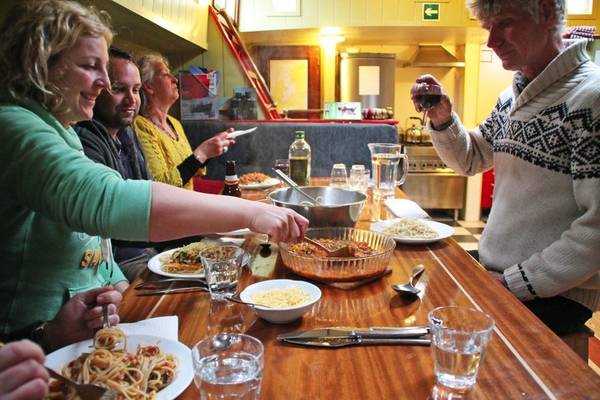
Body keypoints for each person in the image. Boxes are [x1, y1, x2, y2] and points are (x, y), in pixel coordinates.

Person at [0, 0, 307, 353]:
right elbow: (106, 201)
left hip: (78, 339)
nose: (103, 82)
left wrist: (116, 285)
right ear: (39, 63)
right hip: (27, 350)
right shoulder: (13, 126)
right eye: (90, 67)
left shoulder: (62, 130)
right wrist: (251, 214)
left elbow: (95, 240)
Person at [411, 0, 600, 357]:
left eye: (506, 23)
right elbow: (472, 157)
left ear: (546, 13)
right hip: (501, 277)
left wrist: (514, 284)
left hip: (551, 296)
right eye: (488, 28)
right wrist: (442, 118)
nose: (492, 40)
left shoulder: (591, 99)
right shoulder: (512, 96)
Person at [75, 47, 155, 281]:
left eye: (136, 90)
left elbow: (148, 192)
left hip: (147, 249)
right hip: (118, 262)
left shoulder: (127, 135)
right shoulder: (84, 139)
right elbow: (119, 215)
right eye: (119, 89)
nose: (131, 99)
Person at [134, 53, 234, 190]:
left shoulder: (174, 123)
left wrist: (211, 150)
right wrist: (203, 152)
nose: (174, 79)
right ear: (149, 86)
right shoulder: (140, 126)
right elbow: (160, 186)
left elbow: (192, 171)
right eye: (165, 75)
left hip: (189, 203)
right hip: (171, 211)